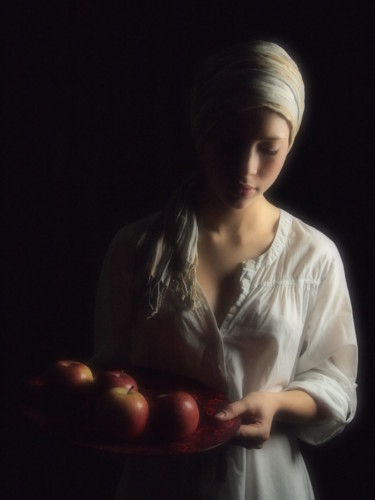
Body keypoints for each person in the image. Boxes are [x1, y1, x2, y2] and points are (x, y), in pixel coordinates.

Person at [91, 41, 358, 499]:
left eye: (268, 149)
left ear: (290, 143)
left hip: (269, 485)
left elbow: (337, 383)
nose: (246, 168)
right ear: (201, 134)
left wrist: (275, 405)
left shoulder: (314, 257)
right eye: (229, 144)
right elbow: (111, 372)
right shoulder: (136, 249)